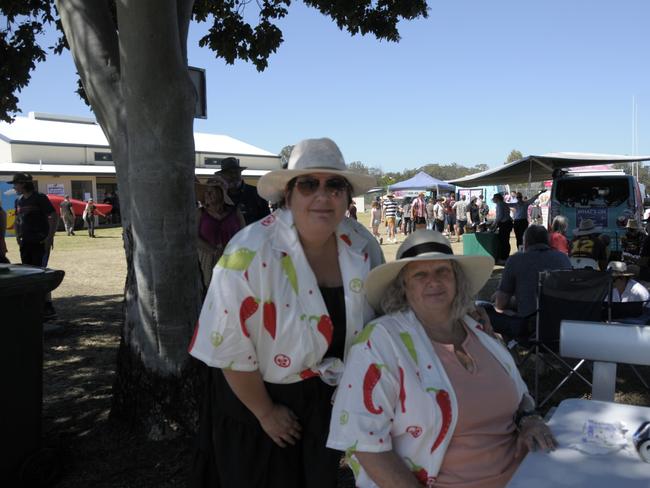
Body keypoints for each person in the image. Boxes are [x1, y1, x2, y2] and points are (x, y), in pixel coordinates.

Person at [188, 138, 383, 488]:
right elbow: (228, 345)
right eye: (309, 184)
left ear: (347, 196)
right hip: (256, 396)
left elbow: (390, 306)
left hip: (326, 398)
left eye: (334, 184)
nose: (323, 195)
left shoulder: (362, 244)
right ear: (288, 195)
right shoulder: (247, 251)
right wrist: (265, 412)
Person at [327, 230, 556, 488]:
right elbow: (363, 441)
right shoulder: (380, 342)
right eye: (420, 274)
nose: (433, 281)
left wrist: (529, 421)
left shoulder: (479, 331)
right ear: (403, 286)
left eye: (442, 271)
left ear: (456, 279)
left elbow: (520, 399)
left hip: (527, 475)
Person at [490, 225, 572, 339]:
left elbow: (501, 302)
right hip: (561, 325)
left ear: (525, 242)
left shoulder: (516, 260)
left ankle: (509, 350)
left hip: (529, 326)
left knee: (493, 310)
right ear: (548, 241)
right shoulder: (563, 258)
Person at [9, 172, 58, 318]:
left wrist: (50, 236)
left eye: (15, 184)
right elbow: (18, 219)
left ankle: (48, 306)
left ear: (23, 184)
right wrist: (18, 235)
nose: (14, 187)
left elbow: (53, 216)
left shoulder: (40, 198)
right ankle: (34, 305)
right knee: (28, 273)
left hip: (40, 242)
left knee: (40, 273)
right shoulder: (18, 201)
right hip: (26, 243)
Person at [196, 175, 245, 290]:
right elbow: (193, 237)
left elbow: (245, 235)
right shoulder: (200, 213)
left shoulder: (235, 213)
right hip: (208, 260)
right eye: (206, 192)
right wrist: (213, 251)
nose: (207, 195)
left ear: (221, 193)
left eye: (211, 191)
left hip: (233, 259)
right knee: (211, 291)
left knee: (232, 290)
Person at [216, 156, 270, 225]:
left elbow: (267, 220)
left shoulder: (256, 192)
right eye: (229, 173)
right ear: (222, 176)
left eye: (236, 172)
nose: (233, 175)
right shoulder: (219, 195)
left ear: (240, 173)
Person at [490, 193, 513, 264]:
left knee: (503, 242)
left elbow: (499, 216)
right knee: (506, 241)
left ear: (497, 198)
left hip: (505, 225)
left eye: (494, 198)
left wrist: (493, 225)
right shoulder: (504, 204)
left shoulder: (499, 205)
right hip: (508, 223)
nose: (493, 199)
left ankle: (503, 258)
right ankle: (505, 257)